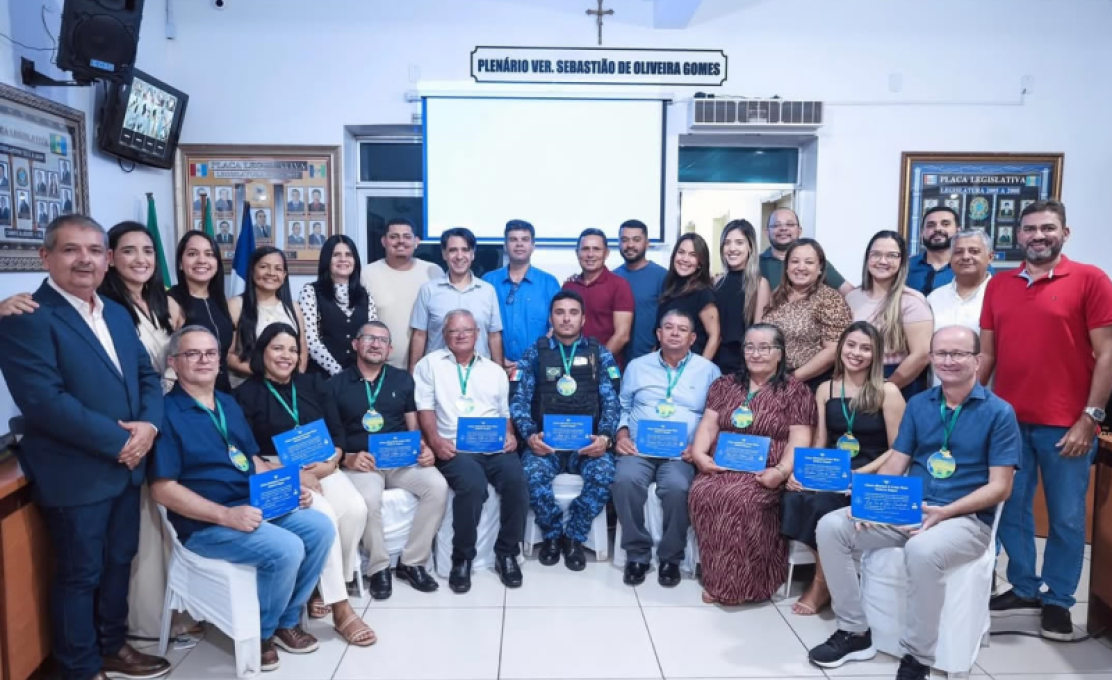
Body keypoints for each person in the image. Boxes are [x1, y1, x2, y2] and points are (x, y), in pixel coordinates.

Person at [0, 215, 172, 680]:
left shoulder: (115, 311)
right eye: (71, 250)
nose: (85, 260)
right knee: (81, 575)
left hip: (127, 466)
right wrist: (123, 441)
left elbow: (146, 377)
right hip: (77, 471)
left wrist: (149, 430)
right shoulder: (27, 317)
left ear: (107, 259)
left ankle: (112, 646)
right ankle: (79, 667)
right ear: (46, 256)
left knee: (119, 562)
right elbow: (44, 403)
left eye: (95, 251)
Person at [807, 326, 1020, 680]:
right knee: (832, 527)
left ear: (978, 361)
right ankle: (855, 631)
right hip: (906, 508)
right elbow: (896, 463)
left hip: (964, 520)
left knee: (921, 550)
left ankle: (918, 657)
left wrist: (946, 512)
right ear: (931, 358)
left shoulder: (999, 413)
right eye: (941, 354)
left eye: (958, 354)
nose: (948, 361)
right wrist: (871, 505)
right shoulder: (921, 404)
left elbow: (1001, 488)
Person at [150, 326, 335, 671]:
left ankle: (286, 621)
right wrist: (225, 516)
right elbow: (162, 489)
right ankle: (263, 635)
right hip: (206, 525)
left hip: (253, 505)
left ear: (220, 361)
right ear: (174, 362)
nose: (204, 360)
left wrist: (289, 492)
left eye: (210, 353)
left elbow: (252, 461)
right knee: (287, 548)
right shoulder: (165, 413)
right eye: (193, 354)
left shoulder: (228, 404)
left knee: (319, 527)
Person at [981, 200, 1112, 638]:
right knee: (1011, 509)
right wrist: (972, 411)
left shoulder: (1090, 279)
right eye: (1031, 229)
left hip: (1067, 425)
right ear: (1018, 235)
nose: (1039, 236)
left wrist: (1090, 418)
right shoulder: (998, 285)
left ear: (1065, 233)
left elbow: (1108, 353)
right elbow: (986, 354)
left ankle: (1057, 599)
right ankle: (1023, 586)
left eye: (1048, 228)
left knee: (1066, 517)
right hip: (1007, 423)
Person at [233, 324, 375, 646]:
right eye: (278, 348)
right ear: (262, 352)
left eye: (293, 349)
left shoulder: (315, 383)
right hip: (279, 473)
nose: (286, 355)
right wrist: (293, 472)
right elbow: (248, 453)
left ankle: (322, 585)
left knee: (354, 509)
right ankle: (342, 609)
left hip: (322, 465)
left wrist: (331, 461)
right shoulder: (244, 395)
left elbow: (337, 435)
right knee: (322, 516)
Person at [686, 323, 817, 605]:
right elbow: (709, 425)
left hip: (765, 472)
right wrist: (699, 454)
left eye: (764, 347)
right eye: (750, 347)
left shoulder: (796, 391)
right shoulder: (724, 385)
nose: (756, 354)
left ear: (780, 354)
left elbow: (800, 437)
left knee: (741, 500)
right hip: (722, 466)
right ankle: (717, 578)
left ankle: (749, 583)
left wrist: (781, 472)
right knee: (703, 492)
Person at [781, 322, 905, 616]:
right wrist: (802, 472)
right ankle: (827, 574)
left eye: (865, 348)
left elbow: (897, 449)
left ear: (875, 355)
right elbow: (821, 442)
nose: (856, 353)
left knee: (822, 504)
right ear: (841, 348)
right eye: (851, 345)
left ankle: (821, 584)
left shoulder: (888, 392)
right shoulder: (826, 388)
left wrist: (863, 473)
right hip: (832, 470)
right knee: (794, 496)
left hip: (872, 472)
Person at [328, 321, 448, 598]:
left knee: (438, 487)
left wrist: (423, 448)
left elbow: (412, 426)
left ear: (390, 349)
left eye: (382, 340)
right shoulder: (335, 385)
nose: (375, 344)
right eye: (368, 338)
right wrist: (347, 458)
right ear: (355, 344)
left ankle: (412, 562)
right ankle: (379, 568)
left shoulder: (403, 379)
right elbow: (331, 436)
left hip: (399, 459)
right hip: (363, 463)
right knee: (367, 500)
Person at [415, 309, 527, 593]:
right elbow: (425, 409)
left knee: (518, 483)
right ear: (445, 335)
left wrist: (511, 436)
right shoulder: (430, 365)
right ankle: (461, 559)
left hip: (493, 445)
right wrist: (436, 441)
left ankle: (507, 553)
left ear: (478, 334)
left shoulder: (493, 370)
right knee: (473, 486)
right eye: (454, 331)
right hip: (454, 446)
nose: (461, 335)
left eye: (468, 330)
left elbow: (503, 413)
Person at [510, 291, 620, 570]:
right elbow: (519, 400)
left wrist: (605, 439)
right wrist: (529, 435)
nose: (566, 318)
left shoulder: (599, 353)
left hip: (587, 446)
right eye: (559, 312)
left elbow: (611, 402)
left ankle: (574, 535)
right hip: (545, 445)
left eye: (573, 312)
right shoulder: (535, 353)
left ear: (583, 318)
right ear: (551, 317)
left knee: (606, 472)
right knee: (529, 472)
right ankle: (551, 534)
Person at [612, 309, 721, 586]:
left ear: (693, 337)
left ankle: (671, 557)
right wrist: (622, 435)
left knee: (678, 488)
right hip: (639, 448)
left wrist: (698, 449)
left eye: (682, 329)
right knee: (624, 481)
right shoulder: (637, 366)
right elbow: (622, 407)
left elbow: (717, 417)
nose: (674, 333)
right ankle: (637, 554)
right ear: (659, 334)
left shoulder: (708, 370)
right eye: (668, 328)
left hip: (681, 453)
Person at [846, 231, 933, 400]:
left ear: (902, 261)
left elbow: (921, 355)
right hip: (854, 379)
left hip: (897, 385)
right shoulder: (852, 297)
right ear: (867, 258)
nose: (883, 261)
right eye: (876, 254)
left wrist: (885, 389)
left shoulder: (912, 301)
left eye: (892, 255)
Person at [408, 227, 503, 371]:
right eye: (453, 250)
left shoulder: (487, 291)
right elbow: (420, 335)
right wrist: (412, 374)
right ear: (444, 254)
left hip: (479, 373)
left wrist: (499, 374)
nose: (459, 256)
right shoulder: (429, 290)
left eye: (465, 250)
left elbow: (494, 336)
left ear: (472, 254)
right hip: (438, 373)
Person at [763, 239, 853, 391]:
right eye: (795, 261)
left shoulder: (830, 298)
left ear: (820, 268)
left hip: (808, 384)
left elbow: (833, 350)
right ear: (786, 267)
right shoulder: (778, 295)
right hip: (773, 380)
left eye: (809, 262)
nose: (801, 267)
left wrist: (792, 379)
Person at [360, 218, 442, 370]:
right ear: (384, 241)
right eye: (394, 237)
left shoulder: (433, 272)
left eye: (407, 236)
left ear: (416, 241)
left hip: (428, 366)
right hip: (380, 367)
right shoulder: (367, 274)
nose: (400, 241)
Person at [481, 219, 561, 368]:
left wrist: (530, 360)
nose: (519, 244)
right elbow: (479, 326)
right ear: (505, 246)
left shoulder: (549, 283)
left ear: (533, 246)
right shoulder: (488, 281)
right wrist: (498, 359)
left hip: (538, 367)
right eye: (513, 239)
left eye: (525, 239)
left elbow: (556, 328)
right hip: (495, 367)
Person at [298, 235, 378, 376]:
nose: (343, 259)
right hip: (322, 376)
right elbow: (310, 340)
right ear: (327, 260)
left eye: (348, 254)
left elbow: (372, 336)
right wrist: (338, 372)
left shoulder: (365, 294)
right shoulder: (310, 291)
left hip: (358, 376)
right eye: (336, 255)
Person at [227, 247, 308, 383]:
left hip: (288, 386)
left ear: (284, 275)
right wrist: (267, 374)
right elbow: (228, 355)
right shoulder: (235, 305)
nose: (271, 273)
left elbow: (303, 351)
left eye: (278, 268)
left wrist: (292, 378)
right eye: (264, 267)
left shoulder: (294, 307)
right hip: (248, 385)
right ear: (252, 271)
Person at [168, 231, 235, 392]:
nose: (202, 260)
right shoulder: (171, 301)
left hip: (222, 393)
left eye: (209, 254)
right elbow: (166, 362)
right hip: (188, 396)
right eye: (192, 254)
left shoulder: (220, 301)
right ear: (180, 263)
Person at [927, 229, 993, 386]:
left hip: (987, 398)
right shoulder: (934, 298)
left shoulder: (1001, 296)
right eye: (958, 252)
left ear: (990, 257)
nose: (965, 257)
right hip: (939, 397)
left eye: (974, 251)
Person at [564, 228, 635, 363]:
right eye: (585, 249)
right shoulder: (569, 287)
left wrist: (594, 363)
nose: (590, 254)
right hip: (570, 367)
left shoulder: (619, 285)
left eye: (596, 249)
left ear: (606, 253)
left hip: (606, 369)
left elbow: (622, 335)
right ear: (577, 252)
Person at [713, 219, 770, 375]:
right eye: (727, 243)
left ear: (750, 247)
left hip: (742, 362)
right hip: (715, 359)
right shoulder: (717, 281)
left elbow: (759, 331)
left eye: (739, 242)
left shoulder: (760, 283)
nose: (732, 248)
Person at [654, 233, 720, 360]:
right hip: (665, 366)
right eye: (681, 252)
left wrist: (700, 369)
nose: (684, 259)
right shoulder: (669, 288)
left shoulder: (703, 293)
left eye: (692, 255)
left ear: (700, 262)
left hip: (690, 367)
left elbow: (715, 337)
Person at [760, 208, 853, 295]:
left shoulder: (814, 262)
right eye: (776, 225)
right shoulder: (755, 264)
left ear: (799, 231)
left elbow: (849, 292)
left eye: (790, 224)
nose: (783, 228)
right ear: (767, 232)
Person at [614, 219, 668, 362]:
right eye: (624, 240)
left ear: (647, 243)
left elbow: (671, 317)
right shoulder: (612, 277)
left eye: (636, 240)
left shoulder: (662, 276)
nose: (630, 245)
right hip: (616, 362)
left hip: (653, 360)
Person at [906, 205, 962, 296]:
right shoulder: (905, 267)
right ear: (922, 233)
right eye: (931, 225)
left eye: (945, 224)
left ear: (958, 231)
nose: (937, 229)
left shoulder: (974, 267)